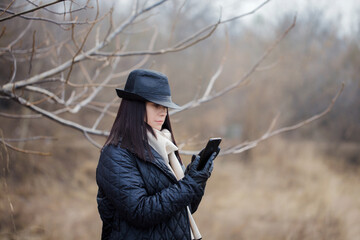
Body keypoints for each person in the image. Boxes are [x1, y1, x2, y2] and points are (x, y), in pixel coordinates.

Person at [96, 69, 220, 240]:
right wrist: (190, 183)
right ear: (135, 106)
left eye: (165, 107)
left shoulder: (165, 146)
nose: (163, 112)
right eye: (156, 105)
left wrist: (198, 177)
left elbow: (186, 209)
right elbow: (140, 212)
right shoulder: (115, 154)